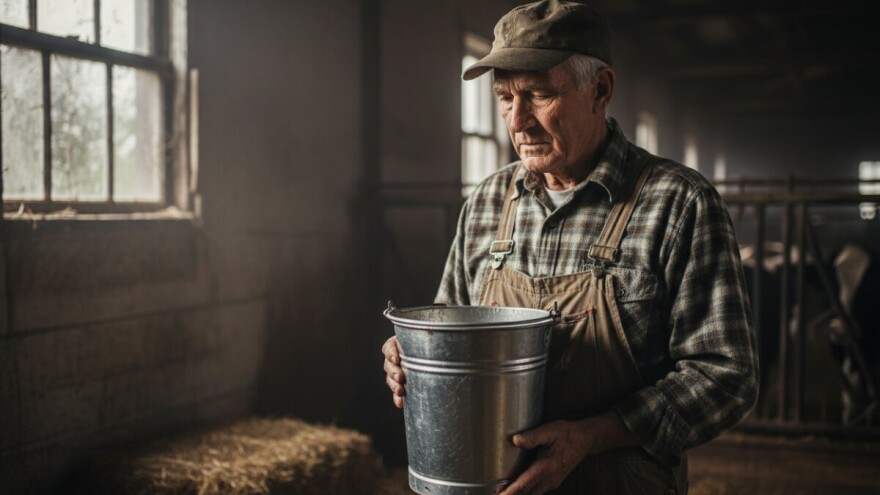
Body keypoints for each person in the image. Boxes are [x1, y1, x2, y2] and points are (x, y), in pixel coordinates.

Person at [381, 1, 759, 493]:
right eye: (505, 98)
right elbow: (451, 329)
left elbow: (726, 376)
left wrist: (590, 437)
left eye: (538, 94)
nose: (517, 121)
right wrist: (414, 352)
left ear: (599, 90)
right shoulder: (487, 202)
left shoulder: (678, 203)